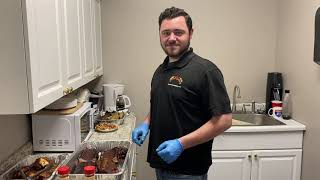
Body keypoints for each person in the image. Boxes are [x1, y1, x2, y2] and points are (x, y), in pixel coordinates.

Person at [132, 6, 232, 180]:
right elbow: (162, 104)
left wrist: (181, 144)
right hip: (160, 165)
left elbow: (224, 120)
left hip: (188, 171)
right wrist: (146, 123)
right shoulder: (160, 70)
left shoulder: (206, 71)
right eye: (166, 33)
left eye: (178, 32)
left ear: (190, 34)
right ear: (160, 35)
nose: (171, 38)